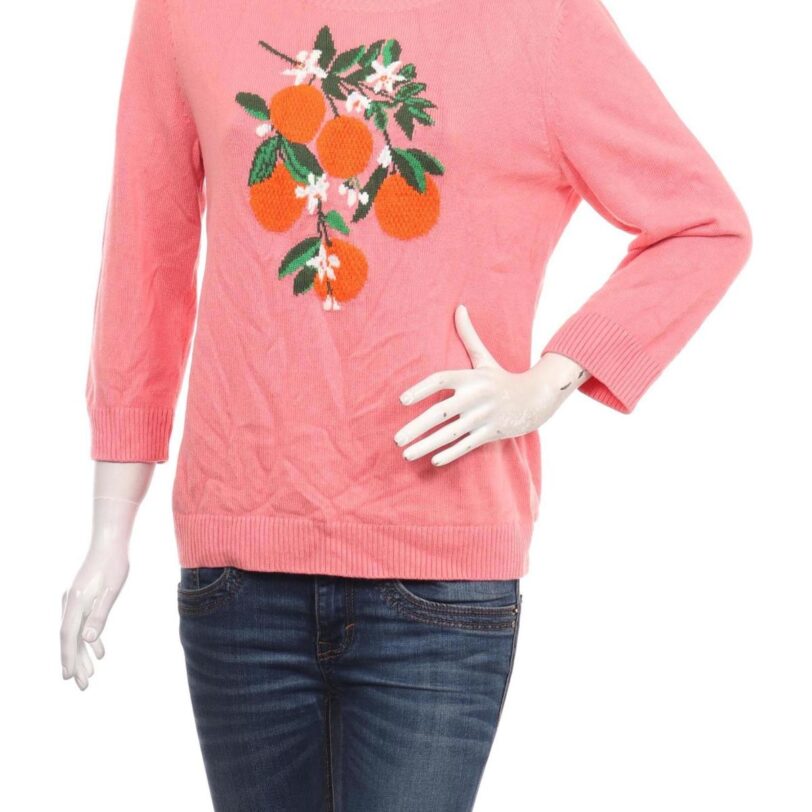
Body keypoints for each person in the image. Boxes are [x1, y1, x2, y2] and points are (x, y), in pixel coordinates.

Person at [61, 0, 752, 809]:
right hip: (239, 567)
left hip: (440, 572)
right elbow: (147, 250)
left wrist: (549, 382)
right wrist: (110, 528)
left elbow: (703, 224)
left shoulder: (541, 18)